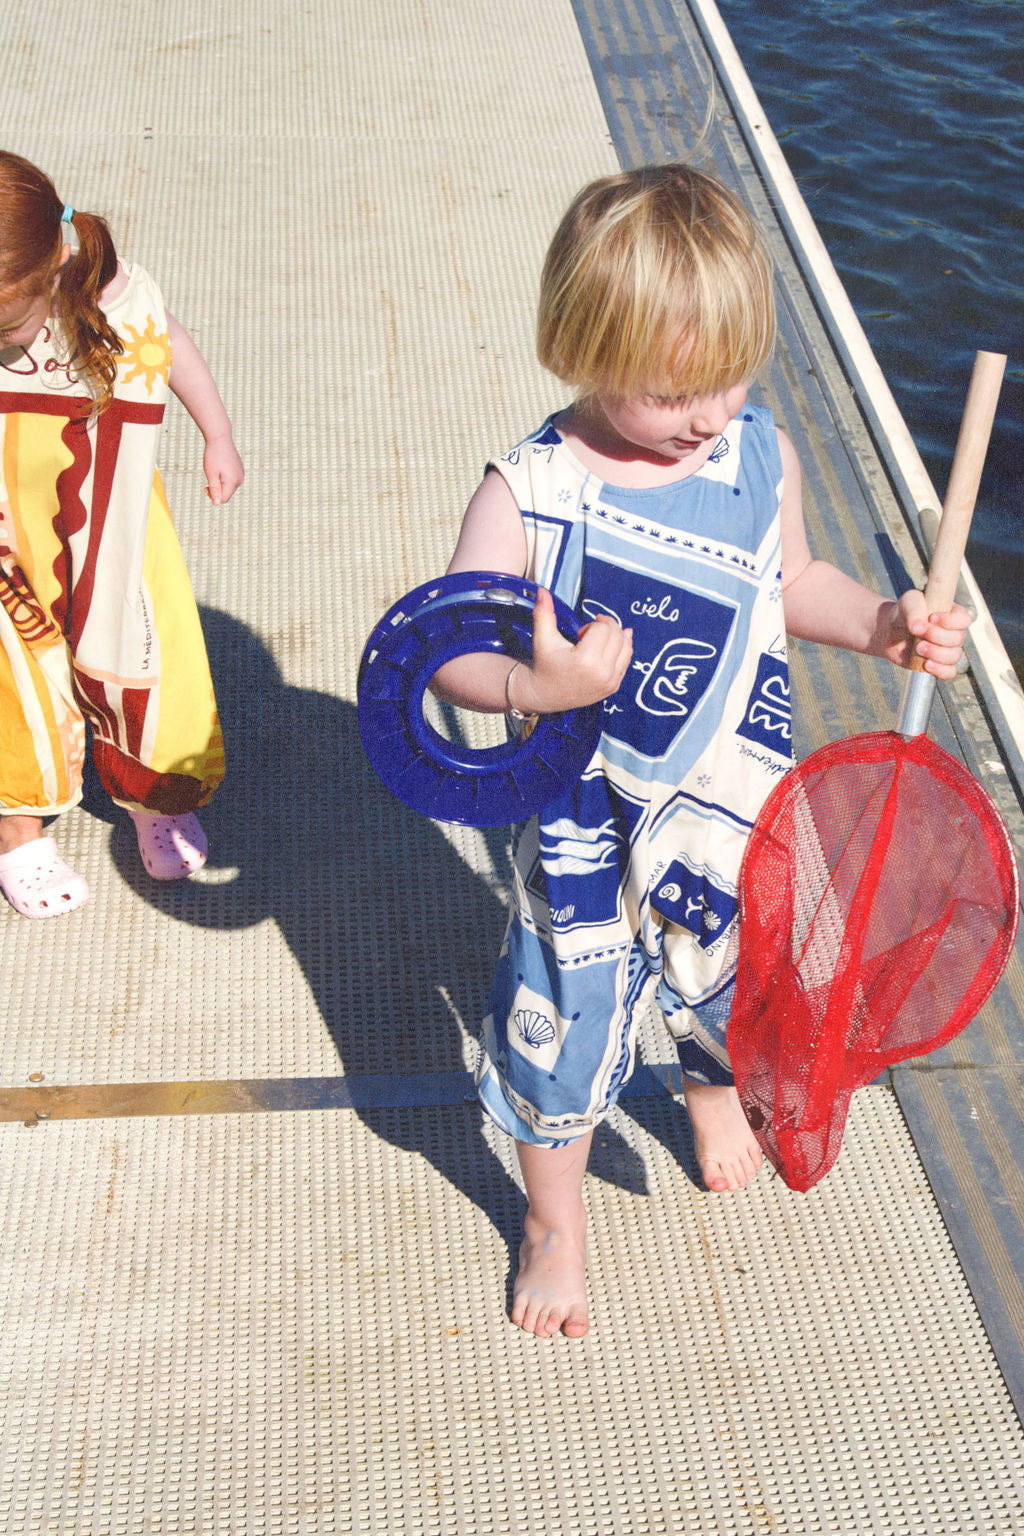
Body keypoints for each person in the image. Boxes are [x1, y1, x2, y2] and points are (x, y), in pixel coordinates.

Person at [432, 163, 970, 1339]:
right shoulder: (533, 492)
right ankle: (552, 1223)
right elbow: (443, 652)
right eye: (673, 390)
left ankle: (707, 1087)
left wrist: (882, 625)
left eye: (731, 375)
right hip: (583, 838)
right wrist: (534, 685)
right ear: (581, 348)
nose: (710, 413)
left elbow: (792, 581)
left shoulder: (755, 453)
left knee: (734, 989)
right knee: (560, 1034)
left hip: (733, 814)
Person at [0, 150, 243, 917]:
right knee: (11, 674)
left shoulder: (105, 293)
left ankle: (154, 796)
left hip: (114, 519)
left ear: (50, 272)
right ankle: (15, 828)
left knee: (145, 651)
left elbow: (165, 344)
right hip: (9, 528)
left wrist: (217, 433)